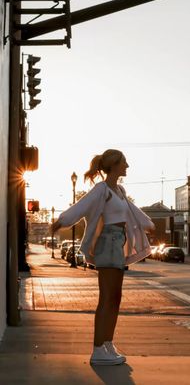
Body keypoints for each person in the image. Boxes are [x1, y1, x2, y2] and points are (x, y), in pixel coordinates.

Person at [52, 149, 155, 365]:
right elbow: (81, 207)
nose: (127, 165)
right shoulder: (102, 189)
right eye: (124, 162)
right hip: (107, 242)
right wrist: (62, 221)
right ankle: (98, 349)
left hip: (118, 241)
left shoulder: (119, 190)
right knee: (107, 297)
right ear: (114, 165)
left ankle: (108, 343)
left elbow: (132, 211)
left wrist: (148, 224)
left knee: (115, 298)